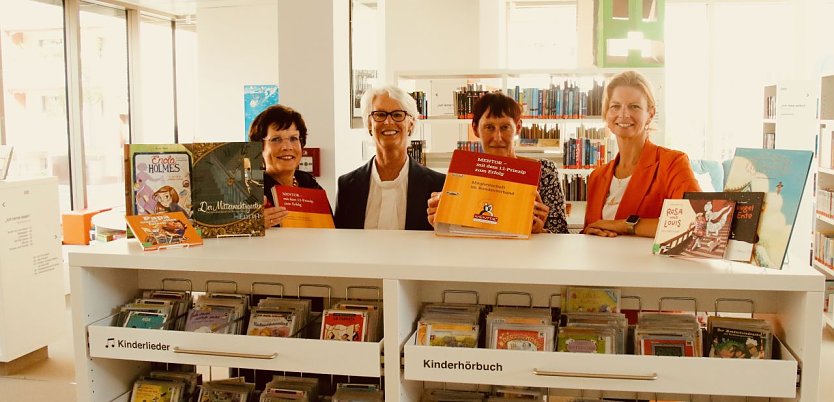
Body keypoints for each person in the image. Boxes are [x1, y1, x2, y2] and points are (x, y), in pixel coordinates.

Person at [426, 92, 569, 234]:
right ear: (475, 129)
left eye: (505, 127)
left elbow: (561, 234)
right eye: (489, 127)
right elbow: (456, 234)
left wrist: (540, 231)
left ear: (518, 128)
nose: (497, 137)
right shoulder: (463, 173)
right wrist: (441, 221)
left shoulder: (544, 172)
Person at [583, 70, 700, 237]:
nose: (623, 114)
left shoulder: (672, 163)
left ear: (650, 114)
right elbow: (591, 232)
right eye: (615, 106)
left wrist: (625, 225)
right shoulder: (597, 176)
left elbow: (696, 221)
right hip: (601, 262)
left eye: (634, 106)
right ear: (606, 114)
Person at [334, 85, 445, 230]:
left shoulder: (438, 185)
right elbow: (340, 243)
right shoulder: (347, 186)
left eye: (398, 114)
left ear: (411, 124)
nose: (388, 122)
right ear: (369, 124)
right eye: (380, 114)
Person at [249, 104, 326, 227]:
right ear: (260, 148)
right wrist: (251, 225)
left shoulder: (310, 184)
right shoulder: (249, 190)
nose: (287, 147)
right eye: (276, 139)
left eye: (293, 138)